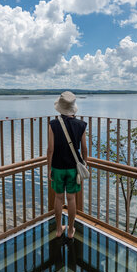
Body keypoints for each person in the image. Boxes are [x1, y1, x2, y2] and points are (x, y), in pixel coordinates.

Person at [47, 91, 88, 239]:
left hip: (57, 167)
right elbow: (83, 148)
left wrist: (49, 168)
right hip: (73, 167)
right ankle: (71, 230)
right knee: (71, 199)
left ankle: (59, 229)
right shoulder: (81, 125)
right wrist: (85, 163)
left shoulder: (53, 124)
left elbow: (50, 149)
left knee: (58, 198)